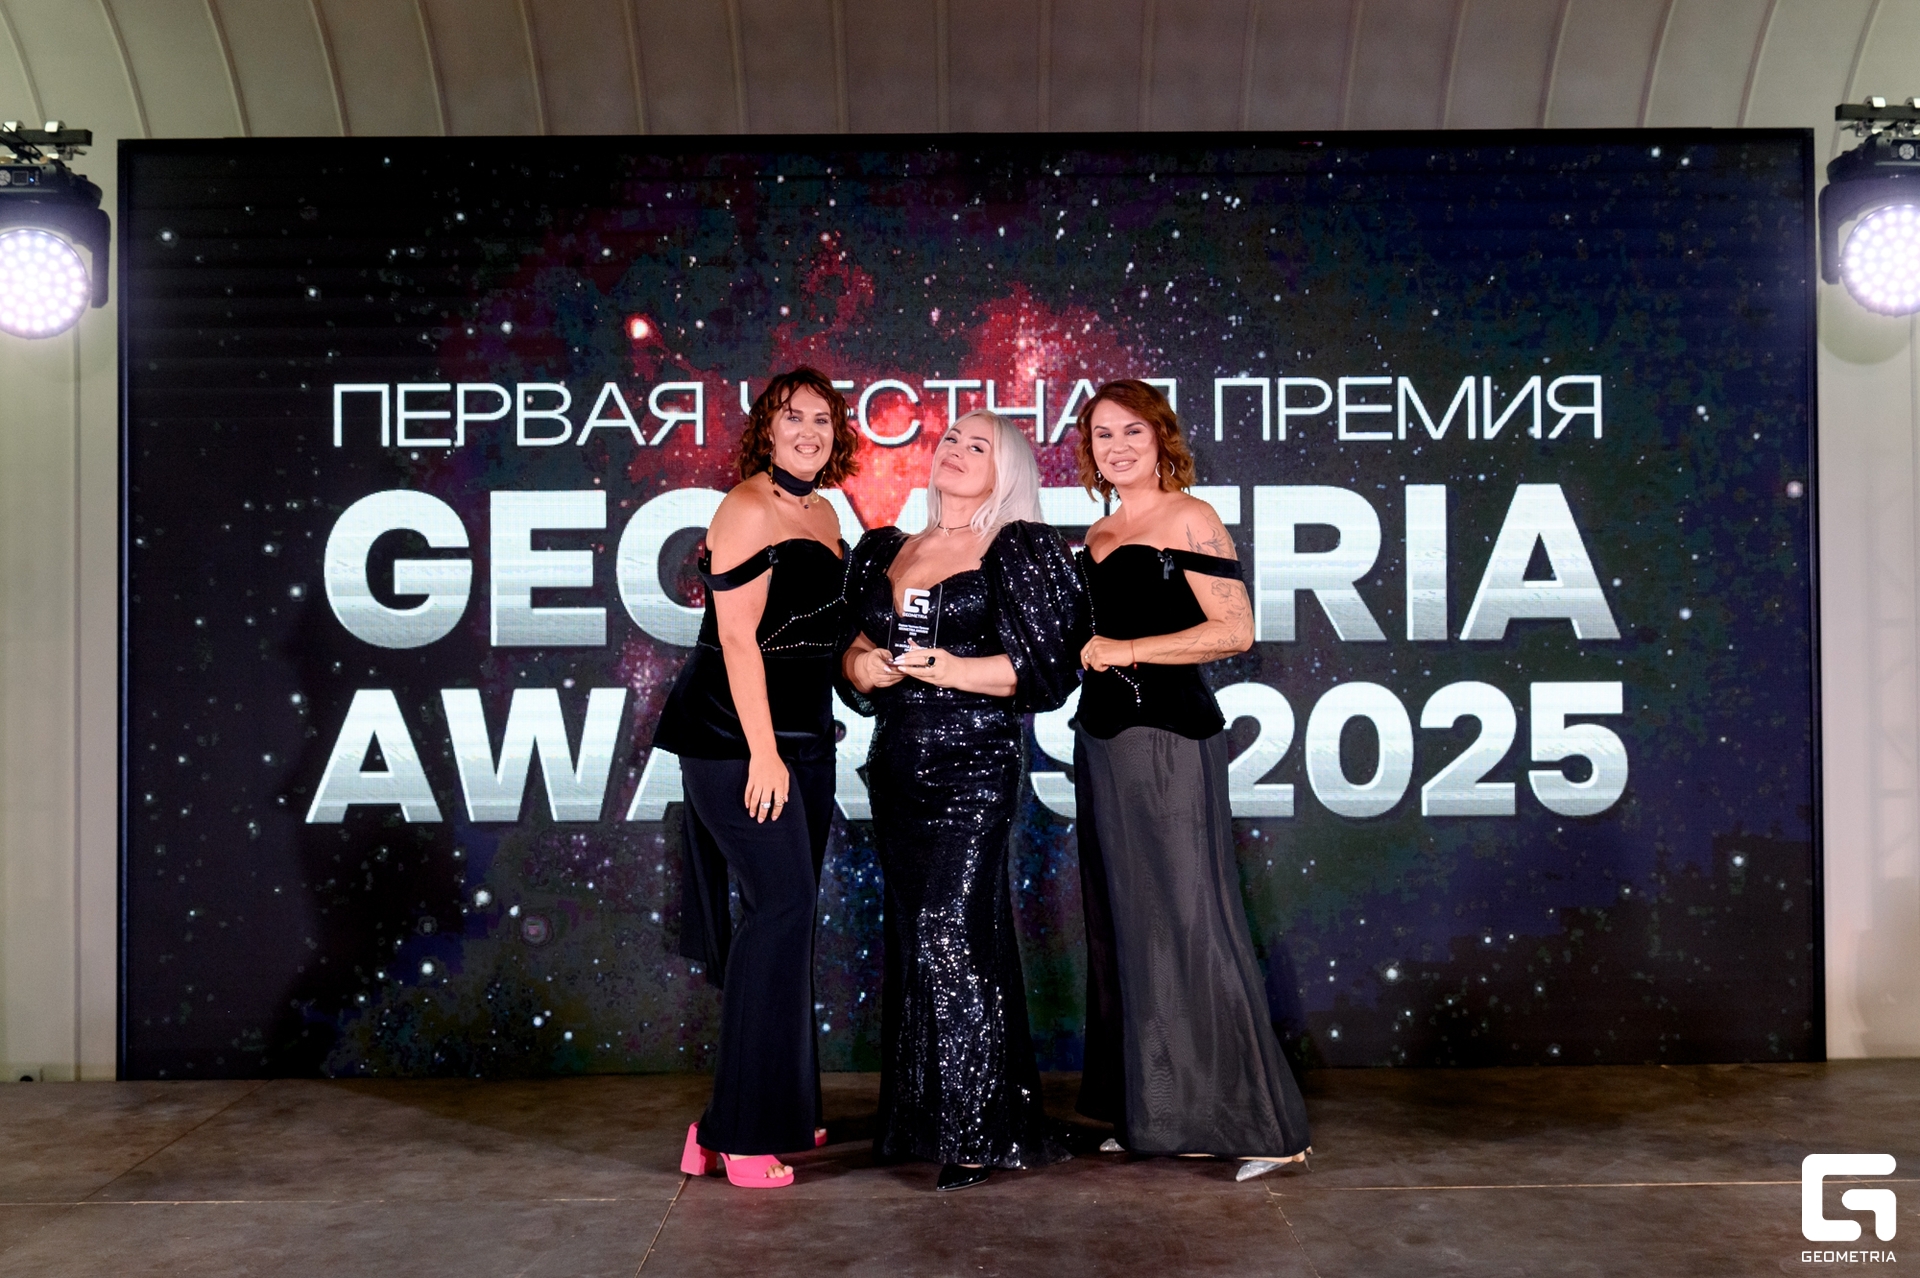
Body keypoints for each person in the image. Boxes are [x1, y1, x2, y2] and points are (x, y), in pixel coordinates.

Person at [839, 409, 1087, 1192]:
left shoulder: (1018, 549)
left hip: (974, 762)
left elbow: (1042, 671)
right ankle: (925, 1118)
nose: (956, 449)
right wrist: (863, 667)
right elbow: (852, 647)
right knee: (918, 938)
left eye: (978, 445)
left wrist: (947, 669)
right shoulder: (887, 548)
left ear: (1004, 471)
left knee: (952, 931)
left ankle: (978, 1132)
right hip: (896, 762)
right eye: (951, 438)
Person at [1071, 379, 1311, 1180]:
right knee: (1125, 930)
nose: (1117, 446)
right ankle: (1159, 1114)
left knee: (1189, 920)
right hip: (1101, 743)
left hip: (1170, 739)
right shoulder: (1099, 531)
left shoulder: (1190, 516)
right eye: (1103, 434)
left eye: (1132, 431)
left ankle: (1263, 1127)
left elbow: (1235, 630)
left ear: (1161, 437)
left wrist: (1129, 651)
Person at [656, 367, 858, 1190]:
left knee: (789, 922)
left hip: (808, 739)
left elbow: (822, 636)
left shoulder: (827, 512)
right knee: (779, 910)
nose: (807, 431)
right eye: (791, 417)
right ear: (766, 430)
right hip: (736, 741)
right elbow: (737, 641)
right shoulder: (745, 506)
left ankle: (765, 1115)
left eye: (821, 419)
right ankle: (736, 1133)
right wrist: (764, 751)